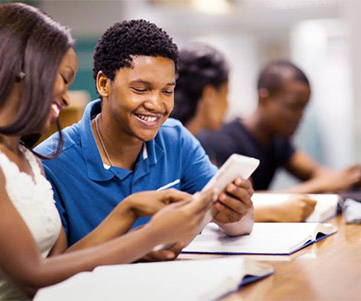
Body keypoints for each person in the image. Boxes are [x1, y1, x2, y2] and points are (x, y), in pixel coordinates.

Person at [0, 4, 217, 299]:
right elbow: (33, 278)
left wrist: (128, 210)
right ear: (22, 74)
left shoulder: (28, 159)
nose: (66, 95)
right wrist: (150, 236)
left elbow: (59, 264)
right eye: (62, 78)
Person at [35, 20, 254, 256]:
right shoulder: (51, 162)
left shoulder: (176, 139)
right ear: (103, 84)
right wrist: (134, 248)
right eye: (141, 89)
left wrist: (236, 215)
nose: (156, 104)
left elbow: (239, 224)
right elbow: (51, 270)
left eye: (167, 91)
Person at [171, 44, 316, 222]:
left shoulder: (190, 147)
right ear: (210, 94)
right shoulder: (185, 142)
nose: (228, 106)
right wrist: (274, 211)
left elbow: (212, 204)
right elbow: (200, 212)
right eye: (226, 95)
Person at [198, 60, 361, 195]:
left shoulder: (277, 140)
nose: (300, 116)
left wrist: (349, 177)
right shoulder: (224, 140)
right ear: (264, 99)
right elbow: (244, 202)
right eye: (293, 107)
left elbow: (315, 172)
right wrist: (321, 185)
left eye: (303, 108)